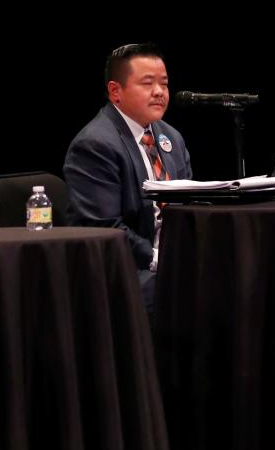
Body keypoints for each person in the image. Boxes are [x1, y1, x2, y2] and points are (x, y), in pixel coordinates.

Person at [64, 42, 192, 310]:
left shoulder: (171, 137)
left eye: (164, 84)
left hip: (173, 260)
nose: (159, 92)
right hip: (123, 269)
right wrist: (159, 258)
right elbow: (104, 227)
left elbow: (190, 205)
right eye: (147, 83)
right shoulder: (96, 144)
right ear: (115, 91)